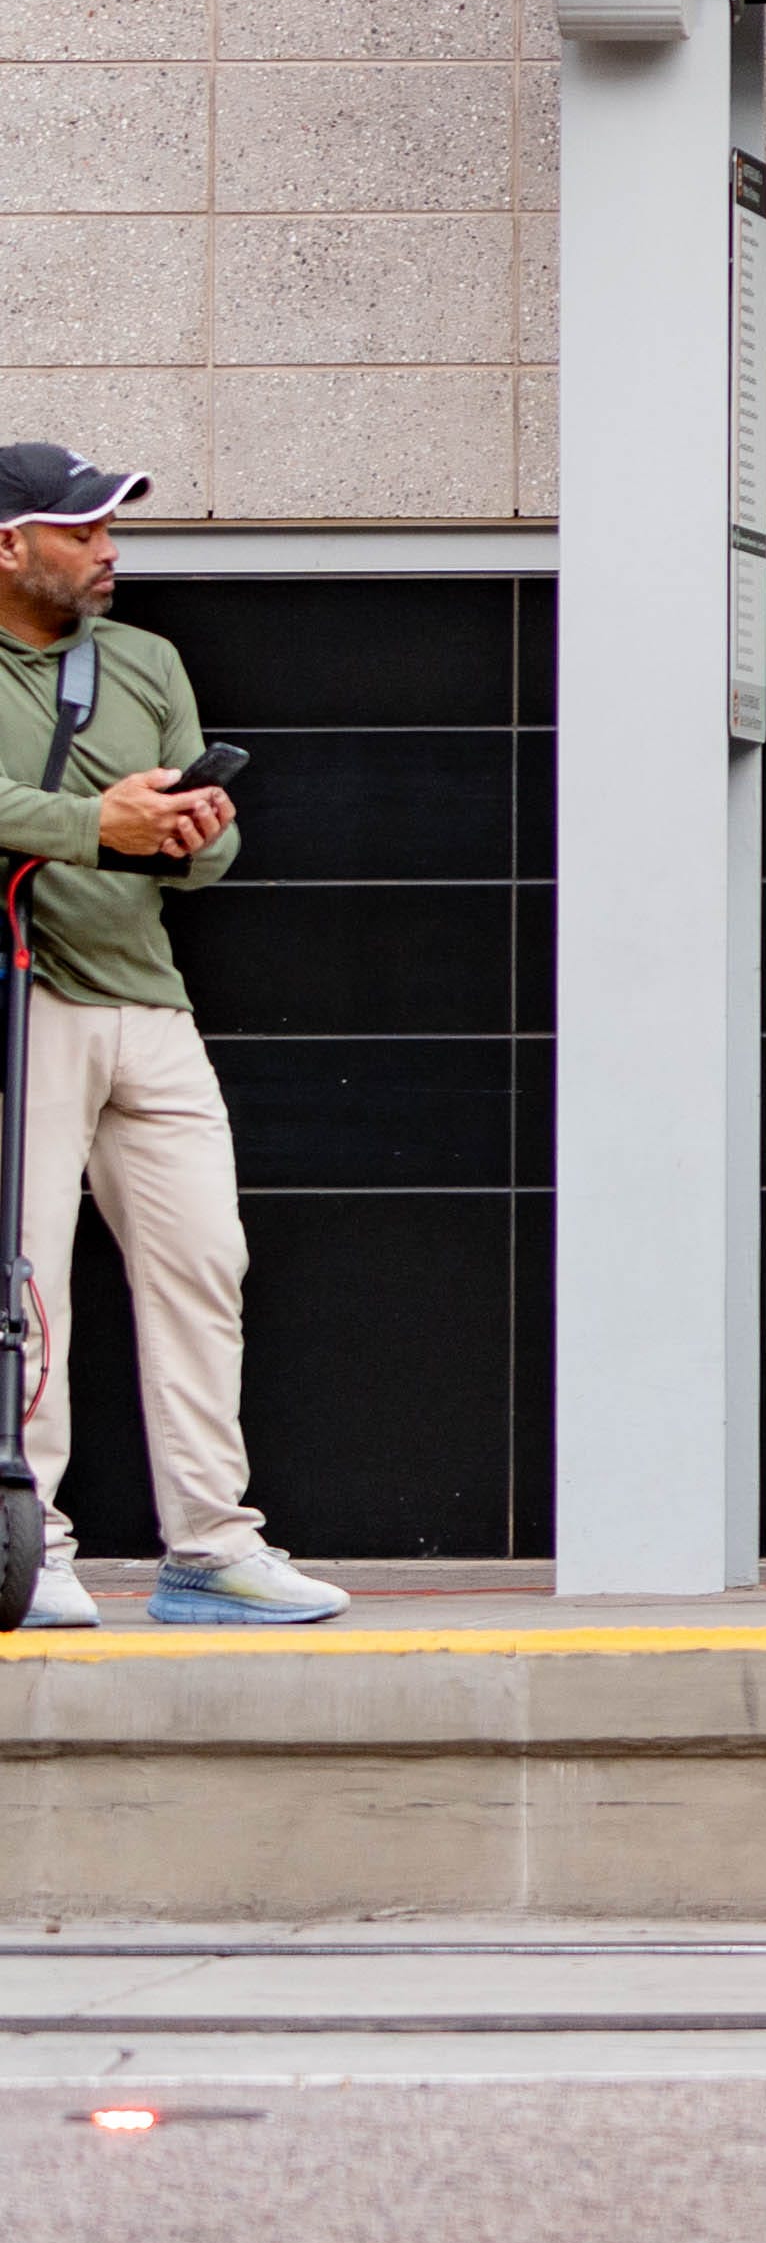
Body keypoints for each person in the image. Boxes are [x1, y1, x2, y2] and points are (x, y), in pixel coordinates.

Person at [0, 444, 347, 1629]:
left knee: (206, 1266)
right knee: (27, 1282)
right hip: (25, 1000)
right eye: (84, 531)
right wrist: (97, 823)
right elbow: (71, 820)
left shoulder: (147, 661)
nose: (109, 553)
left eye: (112, 532)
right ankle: (26, 1544)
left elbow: (208, 855)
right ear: (12, 544)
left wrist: (192, 830)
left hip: (150, 1005)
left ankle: (208, 1546)